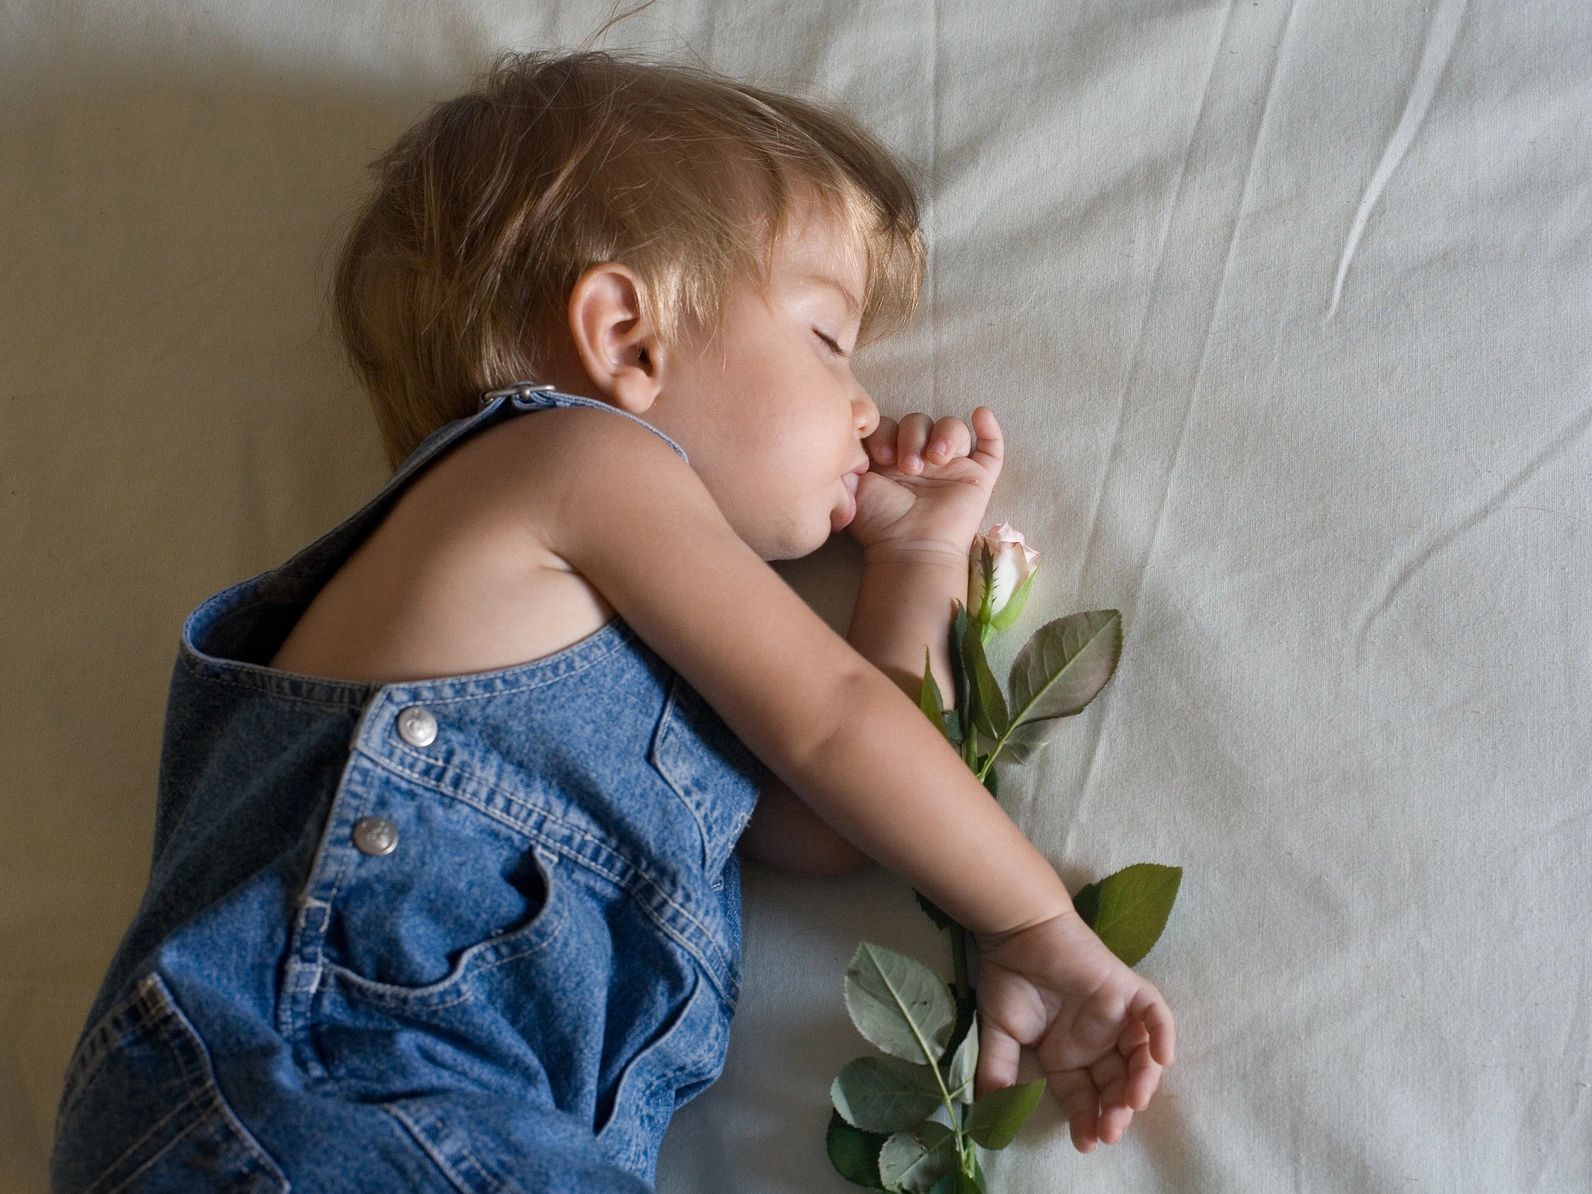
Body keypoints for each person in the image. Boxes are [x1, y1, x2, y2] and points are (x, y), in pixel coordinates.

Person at [49, 46, 1175, 1193]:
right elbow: (833, 723)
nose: (864, 405)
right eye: (827, 340)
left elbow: (829, 815)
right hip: (328, 1093)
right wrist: (1035, 924)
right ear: (628, 338)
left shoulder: (613, 620)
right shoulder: (573, 457)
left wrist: (917, 555)